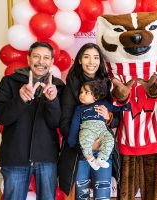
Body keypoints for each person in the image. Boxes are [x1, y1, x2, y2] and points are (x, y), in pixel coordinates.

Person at [0, 42, 64, 200]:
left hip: (47, 157)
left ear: (51, 62)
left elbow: (57, 123)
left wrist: (52, 101)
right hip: (15, 156)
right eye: (36, 56)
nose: (41, 61)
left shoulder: (58, 86)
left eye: (46, 57)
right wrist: (20, 99)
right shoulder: (9, 82)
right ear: (29, 58)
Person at [58, 43, 119, 199]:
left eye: (96, 57)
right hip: (80, 152)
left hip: (103, 149)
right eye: (87, 57)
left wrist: (109, 117)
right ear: (79, 60)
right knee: (81, 194)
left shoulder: (107, 84)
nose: (91, 62)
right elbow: (65, 122)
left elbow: (117, 119)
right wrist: (85, 144)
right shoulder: (71, 85)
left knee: (103, 194)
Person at [67, 80, 130, 171]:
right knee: (84, 139)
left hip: (102, 130)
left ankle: (101, 158)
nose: (81, 95)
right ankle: (91, 159)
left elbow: (115, 108)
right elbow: (75, 125)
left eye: (86, 92)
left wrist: (125, 107)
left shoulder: (104, 104)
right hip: (88, 130)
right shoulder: (80, 109)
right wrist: (71, 141)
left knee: (110, 140)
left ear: (96, 96)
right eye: (81, 92)